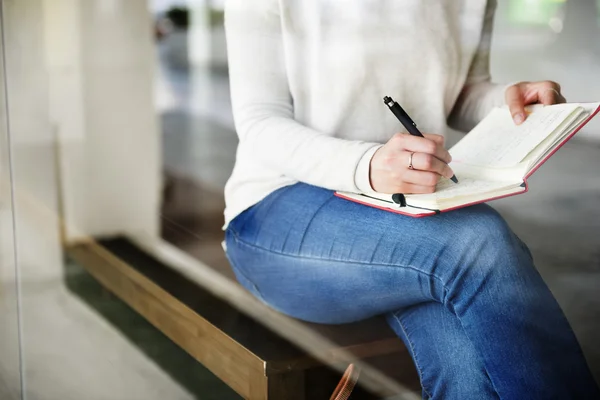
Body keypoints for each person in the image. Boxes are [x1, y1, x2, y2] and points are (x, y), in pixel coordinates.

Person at [221, 1, 600, 398]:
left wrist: (507, 101)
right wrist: (367, 164)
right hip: (277, 211)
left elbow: (458, 92)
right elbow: (259, 122)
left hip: (405, 212)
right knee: (476, 242)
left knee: (465, 362)